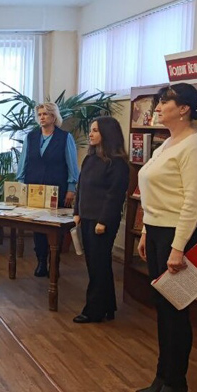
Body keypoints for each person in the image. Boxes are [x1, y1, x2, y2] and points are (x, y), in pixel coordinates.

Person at [136, 83, 197, 392]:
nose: (158, 107)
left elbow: (193, 203)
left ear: (183, 109)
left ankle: (176, 384)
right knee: (163, 309)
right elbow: (155, 195)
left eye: (164, 102)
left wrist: (178, 248)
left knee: (176, 311)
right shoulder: (167, 143)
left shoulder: (195, 145)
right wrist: (145, 231)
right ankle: (162, 376)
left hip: (179, 236)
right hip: (158, 232)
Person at [72, 117, 129, 324]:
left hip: (102, 221)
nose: (91, 134)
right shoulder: (90, 158)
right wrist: (77, 211)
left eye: (95, 130)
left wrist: (103, 221)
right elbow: (81, 187)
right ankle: (108, 306)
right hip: (86, 217)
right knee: (96, 264)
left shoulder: (117, 163)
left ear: (107, 133)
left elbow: (115, 196)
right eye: (91, 130)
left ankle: (94, 310)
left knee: (98, 265)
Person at [16, 102, 79, 277]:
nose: (42, 117)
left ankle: (54, 262)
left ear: (53, 116)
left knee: (54, 227)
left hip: (57, 189)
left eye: (45, 114)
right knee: (38, 227)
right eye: (40, 114)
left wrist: (71, 188)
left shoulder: (65, 137)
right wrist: (21, 184)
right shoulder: (31, 137)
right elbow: (23, 162)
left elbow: (72, 164)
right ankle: (41, 261)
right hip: (34, 189)